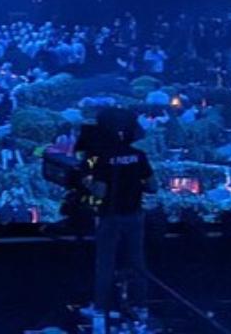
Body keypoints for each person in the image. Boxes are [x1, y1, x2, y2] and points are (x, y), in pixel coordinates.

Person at [87, 110, 157, 325]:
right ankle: (141, 308)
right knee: (137, 262)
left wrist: (86, 183)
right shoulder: (139, 156)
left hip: (110, 217)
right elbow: (153, 186)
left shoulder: (104, 158)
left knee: (105, 264)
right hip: (134, 216)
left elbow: (100, 192)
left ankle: (100, 310)